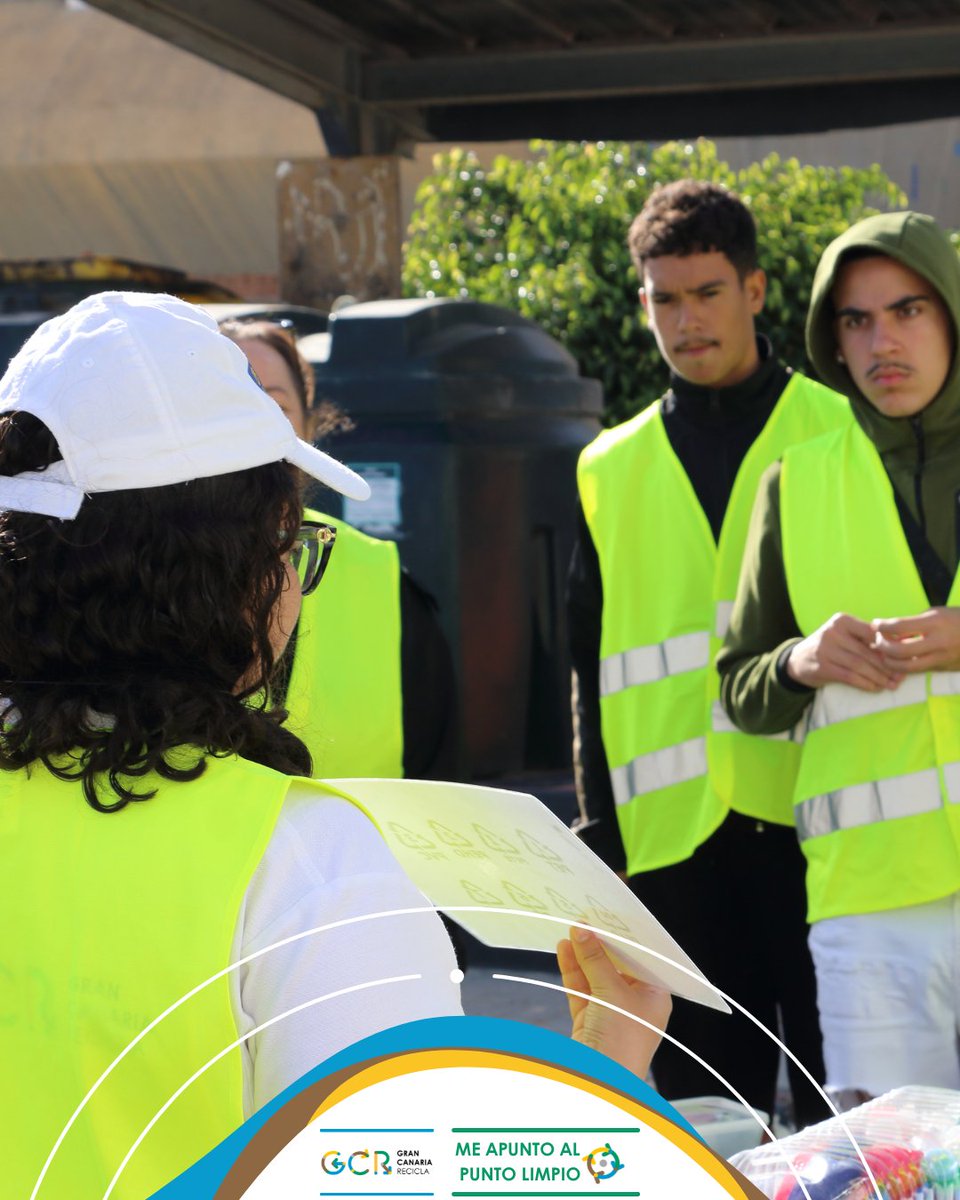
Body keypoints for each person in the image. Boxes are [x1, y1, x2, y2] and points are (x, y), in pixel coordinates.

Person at [0, 292, 668, 1199]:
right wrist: (608, 1077)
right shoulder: (306, 864)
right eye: (287, 542)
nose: (296, 584)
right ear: (217, 572)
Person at [569, 180, 850, 1123]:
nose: (684, 321)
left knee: (837, 1118)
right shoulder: (608, 466)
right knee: (700, 1124)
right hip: (671, 852)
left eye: (706, 293)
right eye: (663, 299)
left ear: (757, 291)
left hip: (815, 828)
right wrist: (598, 847)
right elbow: (586, 670)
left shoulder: (839, 431)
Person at [718, 210, 960, 1103]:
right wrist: (800, 662)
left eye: (908, 311)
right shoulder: (797, 479)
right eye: (855, 321)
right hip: (870, 913)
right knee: (893, 1173)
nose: (880, 341)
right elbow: (741, 689)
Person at [220, 318, 457, 779]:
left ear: (309, 427)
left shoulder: (386, 585)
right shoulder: (146, 574)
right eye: (228, 403)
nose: (255, 425)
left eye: (274, 404)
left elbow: (443, 779)